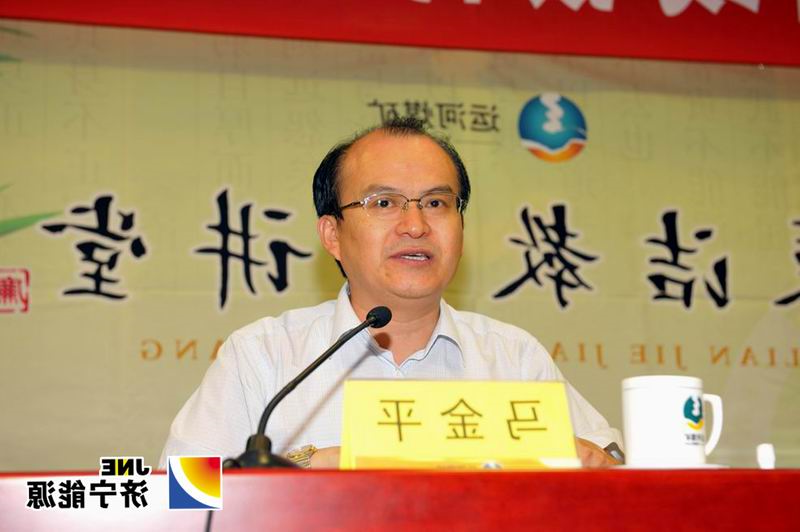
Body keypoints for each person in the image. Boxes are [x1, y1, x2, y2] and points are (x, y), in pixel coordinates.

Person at [161, 117, 621, 469]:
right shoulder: (263, 356)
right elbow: (175, 496)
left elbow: (617, 465)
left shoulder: (513, 358)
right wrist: (302, 467)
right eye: (383, 203)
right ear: (332, 234)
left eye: (436, 203)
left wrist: (602, 463)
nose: (415, 225)